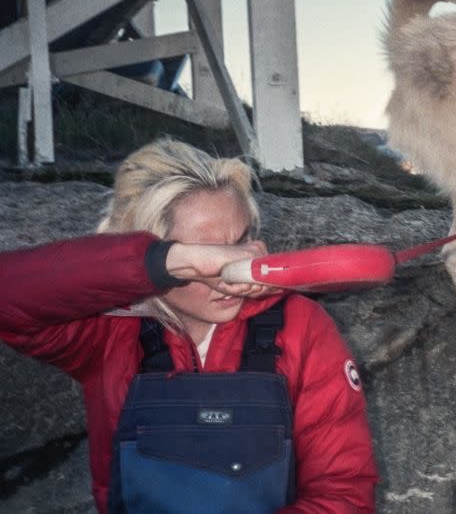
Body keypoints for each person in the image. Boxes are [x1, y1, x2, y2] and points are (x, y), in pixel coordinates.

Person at [0, 140, 377, 513]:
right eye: (207, 255)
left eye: (241, 240)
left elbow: (344, 493)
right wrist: (171, 264)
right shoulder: (106, 329)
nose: (234, 269)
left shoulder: (301, 325)